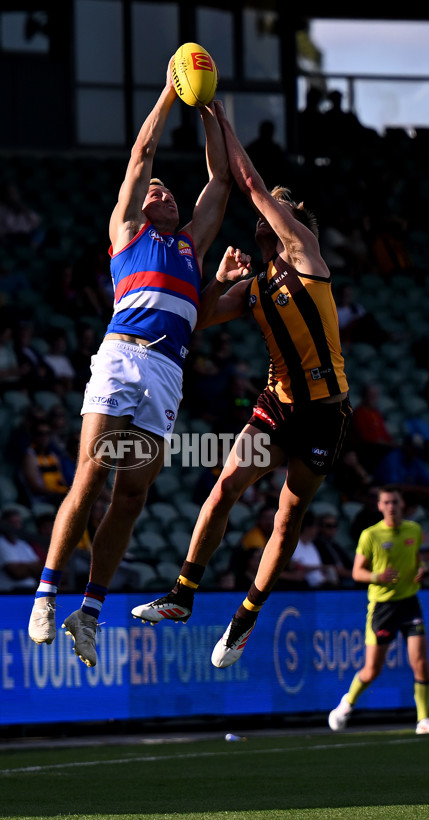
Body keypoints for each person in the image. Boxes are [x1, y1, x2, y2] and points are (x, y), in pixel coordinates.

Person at [27, 60, 244, 666]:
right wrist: (171, 94)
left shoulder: (190, 247)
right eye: (155, 190)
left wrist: (212, 113)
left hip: (167, 374)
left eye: (168, 189)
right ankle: (46, 592)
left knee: (131, 497)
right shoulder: (127, 231)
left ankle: (88, 612)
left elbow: (221, 182)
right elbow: (143, 148)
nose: (161, 190)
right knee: (91, 477)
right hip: (123, 358)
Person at [131, 99, 351, 669]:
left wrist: (222, 122)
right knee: (225, 485)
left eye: (272, 211)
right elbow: (194, 318)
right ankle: (182, 595)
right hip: (276, 407)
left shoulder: (307, 257)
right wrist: (220, 279)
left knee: (287, 517)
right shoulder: (254, 288)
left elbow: (249, 182)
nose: (261, 216)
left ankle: (247, 616)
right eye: (263, 213)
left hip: (324, 414)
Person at [328, 486, 429, 735]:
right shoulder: (370, 535)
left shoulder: (413, 529)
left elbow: (416, 559)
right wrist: (378, 576)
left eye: (395, 502)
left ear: (402, 504)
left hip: (409, 602)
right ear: (380, 506)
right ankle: (346, 704)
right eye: (387, 502)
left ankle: (423, 720)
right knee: (372, 670)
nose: (391, 506)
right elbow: (357, 572)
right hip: (383, 607)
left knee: (420, 662)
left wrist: (421, 569)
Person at [0, 508, 43, 592]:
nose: (15, 526)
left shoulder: (23, 544)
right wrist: (32, 567)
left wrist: (23, 566)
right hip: (9, 593)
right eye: (12, 522)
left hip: (31, 590)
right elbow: (17, 573)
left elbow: (40, 567)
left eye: (18, 522)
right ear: (3, 524)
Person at [314, 513, 354, 587]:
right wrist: (355, 574)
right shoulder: (316, 545)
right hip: (330, 584)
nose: (332, 529)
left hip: (345, 579)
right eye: (329, 526)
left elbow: (350, 564)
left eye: (335, 525)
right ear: (320, 527)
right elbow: (332, 568)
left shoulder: (335, 545)